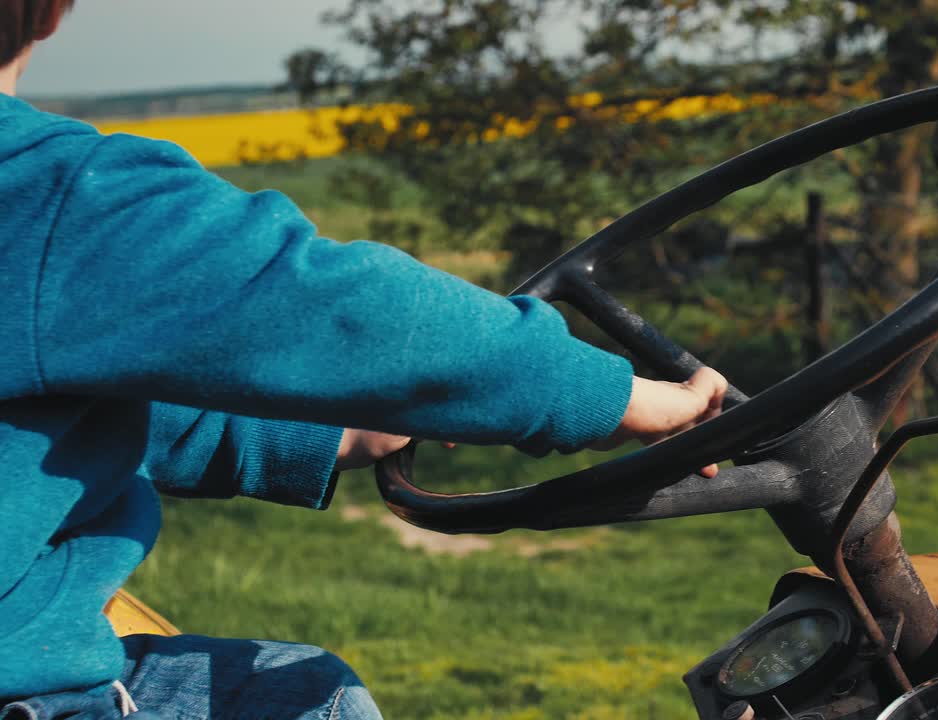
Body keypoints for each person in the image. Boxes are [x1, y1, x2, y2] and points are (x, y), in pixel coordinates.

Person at [0, 2, 728, 718]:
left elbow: (53, 424)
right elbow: (333, 305)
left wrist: (320, 434)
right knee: (308, 698)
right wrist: (610, 395)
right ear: (48, 13)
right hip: (27, 690)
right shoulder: (47, 190)